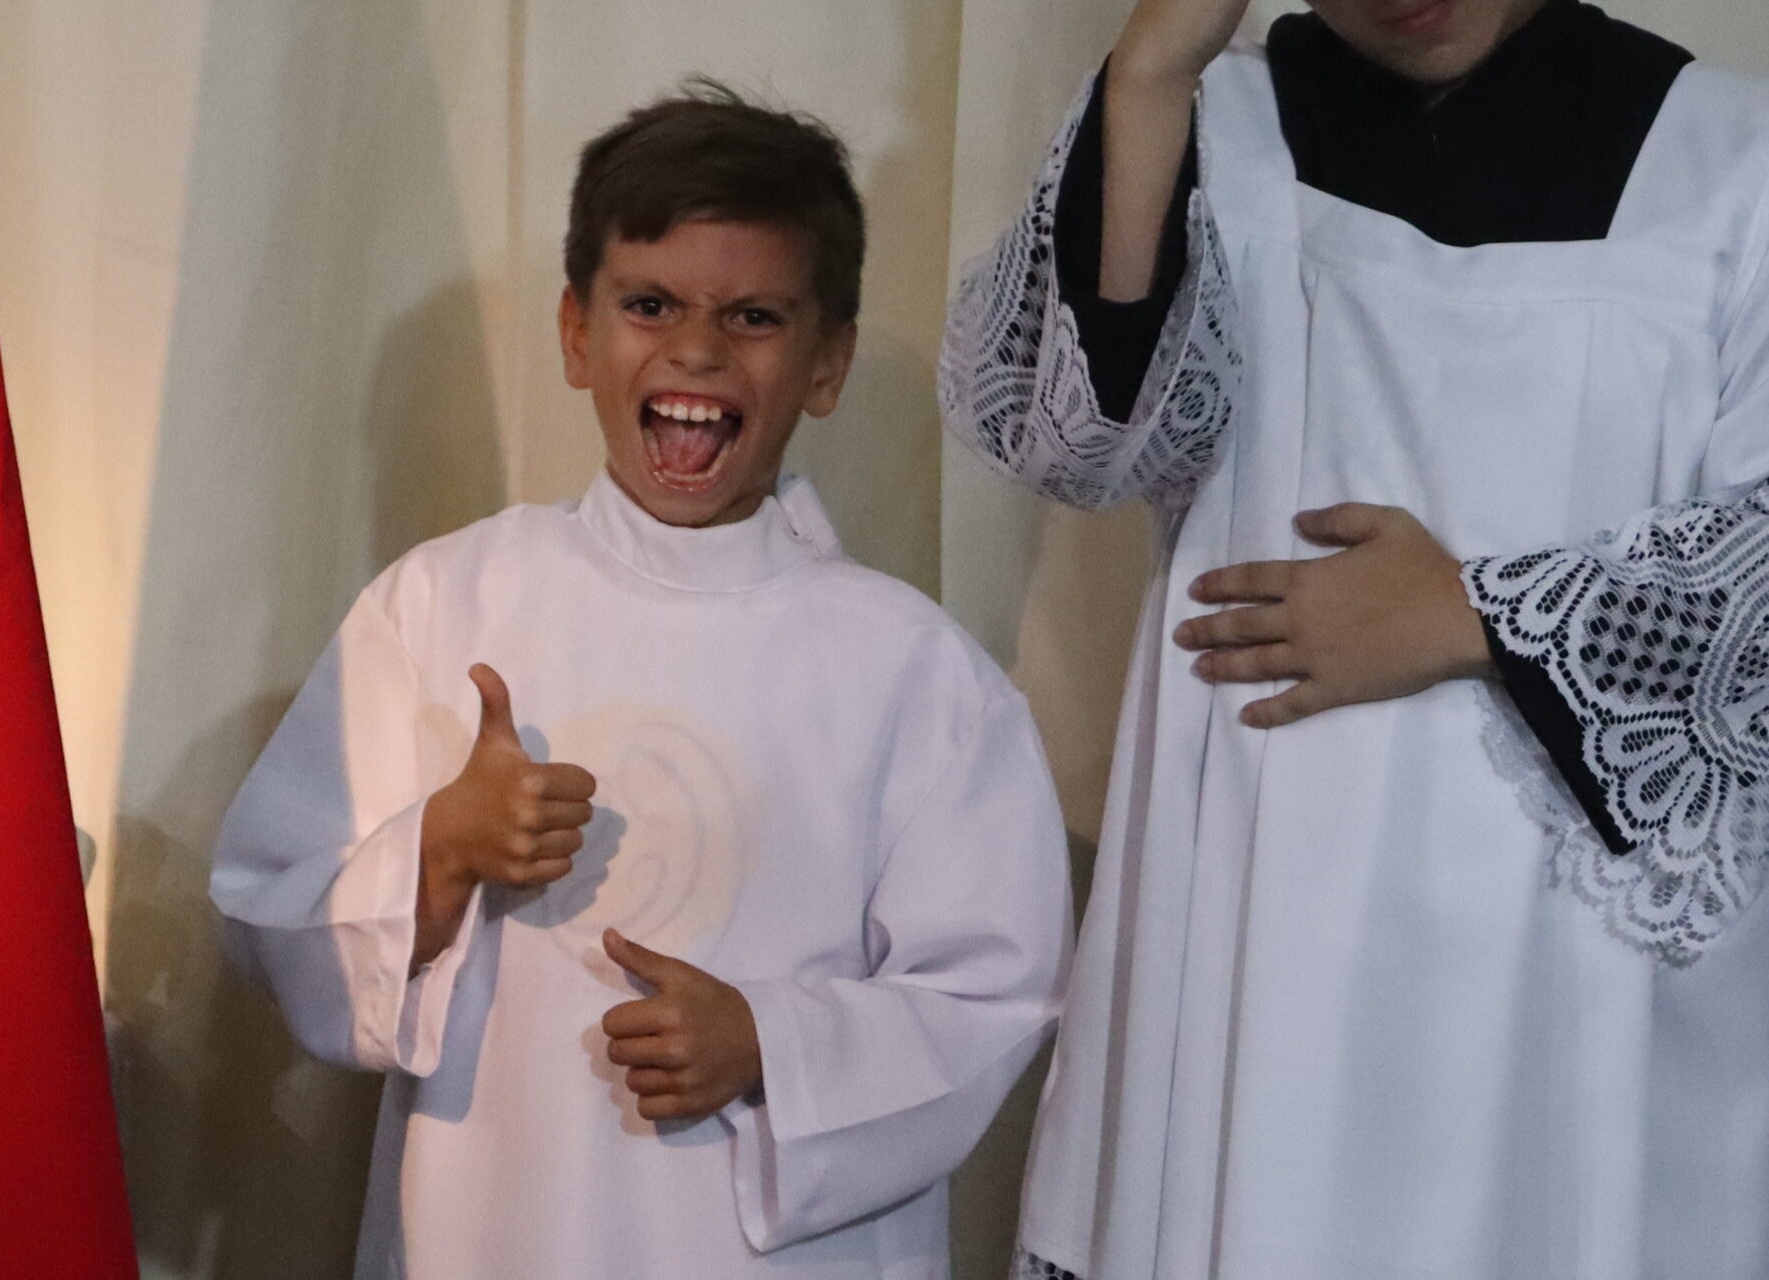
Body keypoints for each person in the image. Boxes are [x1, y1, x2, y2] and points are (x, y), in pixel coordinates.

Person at [941, 2, 1769, 1278]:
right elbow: (1076, 446)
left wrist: (1474, 614)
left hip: (1561, 964)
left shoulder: (1733, 164)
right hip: (1242, 906)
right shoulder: (1215, 123)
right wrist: (1149, 78)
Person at [211, 83, 1071, 1280]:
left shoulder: (916, 674)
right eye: (650, 303)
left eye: (754, 315)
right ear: (577, 332)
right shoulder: (442, 604)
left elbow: (991, 996)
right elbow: (268, 911)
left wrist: (770, 1040)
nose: (696, 349)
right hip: (489, 1227)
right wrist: (442, 849)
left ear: (827, 362)